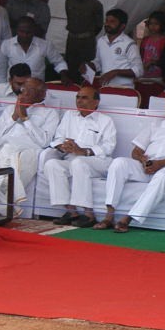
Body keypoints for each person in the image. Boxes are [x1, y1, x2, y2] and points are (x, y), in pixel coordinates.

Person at [98, 89, 165, 232]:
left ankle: (129, 218)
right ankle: (109, 215)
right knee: (119, 163)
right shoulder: (157, 122)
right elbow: (136, 150)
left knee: (164, 177)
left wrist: (160, 164)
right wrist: (142, 160)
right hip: (147, 165)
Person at [44, 85, 118, 228]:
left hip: (98, 162)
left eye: (84, 98)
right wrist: (62, 146)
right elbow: (58, 137)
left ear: (96, 102)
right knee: (52, 164)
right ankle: (71, 212)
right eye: (78, 97)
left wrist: (84, 151)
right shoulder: (69, 115)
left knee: (79, 162)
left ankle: (89, 214)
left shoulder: (105, 120)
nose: (79, 101)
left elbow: (109, 147)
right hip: (72, 159)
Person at [0, 78, 59, 214]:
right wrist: (13, 117)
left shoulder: (50, 114)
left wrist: (26, 119)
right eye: (23, 88)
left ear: (42, 94)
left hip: (28, 151)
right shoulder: (9, 110)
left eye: (30, 90)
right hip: (3, 149)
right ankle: (2, 209)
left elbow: (44, 141)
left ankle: (2, 210)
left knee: (11, 166)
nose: (24, 93)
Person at [0, 16, 70, 84]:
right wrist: (1, 89)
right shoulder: (6, 45)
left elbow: (59, 62)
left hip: (36, 89)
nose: (25, 35)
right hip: (13, 88)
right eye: (22, 31)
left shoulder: (45, 45)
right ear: (16, 30)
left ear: (34, 31)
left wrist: (63, 74)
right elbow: (1, 72)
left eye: (28, 32)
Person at [87, 8, 142, 88]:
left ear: (122, 26)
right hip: (105, 88)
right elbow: (99, 62)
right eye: (107, 21)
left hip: (124, 89)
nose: (107, 24)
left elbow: (139, 70)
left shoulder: (129, 44)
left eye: (112, 21)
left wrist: (116, 72)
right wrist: (90, 65)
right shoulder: (101, 41)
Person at [64, 0, 104, 75]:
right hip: (72, 41)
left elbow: (99, 25)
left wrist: (87, 36)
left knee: (87, 73)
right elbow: (70, 20)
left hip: (87, 43)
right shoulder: (69, 2)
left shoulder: (96, 4)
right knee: (71, 70)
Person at [139, 11, 165, 81]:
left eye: (156, 24)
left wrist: (152, 62)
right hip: (143, 74)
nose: (153, 26)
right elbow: (141, 56)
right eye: (151, 23)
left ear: (162, 25)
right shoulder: (145, 40)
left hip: (159, 77)